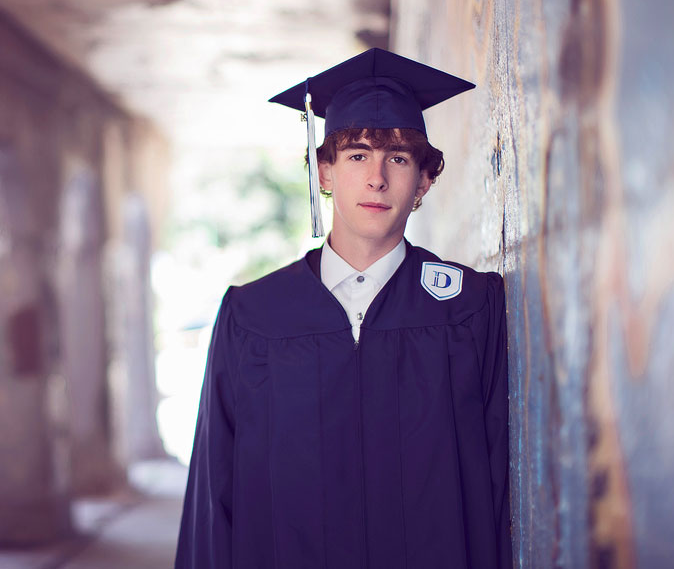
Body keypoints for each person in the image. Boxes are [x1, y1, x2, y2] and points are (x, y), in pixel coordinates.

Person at [174, 47, 510, 568]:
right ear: (324, 172)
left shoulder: (468, 309)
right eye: (357, 155)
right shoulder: (254, 317)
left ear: (423, 180)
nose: (377, 178)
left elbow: (497, 483)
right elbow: (213, 494)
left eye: (398, 158)